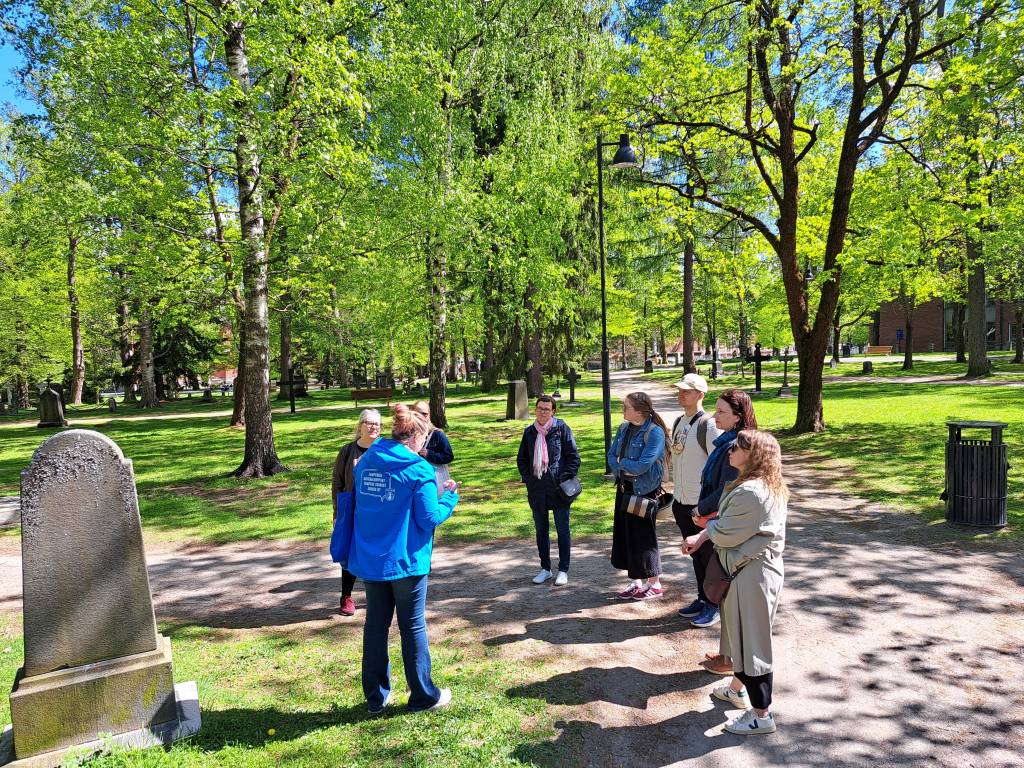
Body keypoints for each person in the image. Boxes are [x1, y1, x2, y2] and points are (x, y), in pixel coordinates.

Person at [349, 404, 460, 714]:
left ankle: (376, 697)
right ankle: (424, 696)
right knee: (412, 627)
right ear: (415, 438)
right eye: (423, 440)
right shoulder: (419, 469)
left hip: (372, 558)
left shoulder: (368, 459)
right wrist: (450, 497)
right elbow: (429, 518)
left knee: (375, 626)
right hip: (407, 560)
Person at [683, 429, 787, 735]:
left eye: (738, 448)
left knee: (752, 644)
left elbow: (727, 531)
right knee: (739, 638)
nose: (730, 451)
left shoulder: (751, 492)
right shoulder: (760, 485)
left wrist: (705, 528)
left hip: (750, 577)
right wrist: (707, 531)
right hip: (748, 574)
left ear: (754, 456)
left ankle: (762, 716)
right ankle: (737, 690)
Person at [688, 388, 757, 632]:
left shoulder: (738, 446)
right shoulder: (725, 440)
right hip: (709, 509)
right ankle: (705, 599)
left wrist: (701, 508)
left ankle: (714, 606)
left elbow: (728, 488)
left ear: (737, 416)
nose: (714, 416)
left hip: (720, 514)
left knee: (717, 564)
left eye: (721, 411)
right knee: (703, 559)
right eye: (715, 409)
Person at [608, 391, 671, 601]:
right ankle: (636, 581)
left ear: (639, 411)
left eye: (626, 407)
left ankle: (654, 584)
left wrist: (621, 465)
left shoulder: (655, 433)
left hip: (643, 491)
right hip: (624, 488)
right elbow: (611, 455)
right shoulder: (624, 428)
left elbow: (643, 465)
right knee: (626, 536)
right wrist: (623, 468)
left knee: (643, 538)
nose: (623, 410)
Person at [668, 375, 722, 619]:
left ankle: (714, 605)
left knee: (709, 557)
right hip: (681, 501)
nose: (681, 395)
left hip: (700, 505)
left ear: (700, 395)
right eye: (680, 390)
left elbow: (718, 464)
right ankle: (702, 598)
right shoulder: (680, 421)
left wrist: (709, 505)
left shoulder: (708, 425)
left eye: (687, 391)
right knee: (695, 555)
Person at [516, 395, 582, 586]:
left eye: (547, 409)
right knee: (541, 530)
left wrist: (561, 478)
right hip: (537, 489)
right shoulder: (529, 432)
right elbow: (522, 459)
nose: (543, 412)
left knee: (563, 530)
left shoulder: (561, 429)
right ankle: (545, 568)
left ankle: (563, 570)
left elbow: (574, 458)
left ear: (553, 411)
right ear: (535, 410)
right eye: (539, 408)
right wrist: (529, 478)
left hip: (559, 490)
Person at [331, 408, 381, 616]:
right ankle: (346, 596)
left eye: (377, 424)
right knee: (350, 553)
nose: (373, 427)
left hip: (379, 511)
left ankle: (379, 598)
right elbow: (338, 482)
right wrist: (337, 512)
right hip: (352, 508)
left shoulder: (384, 451)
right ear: (359, 426)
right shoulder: (348, 451)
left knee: (377, 552)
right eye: (369, 422)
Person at [413, 400, 455, 496]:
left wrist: (429, 454)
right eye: (417, 413)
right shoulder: (407, 435)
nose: (421, 416)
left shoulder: (437, 434)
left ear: (429, 415)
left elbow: (448, 456)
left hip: (435, 483)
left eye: (424, 414)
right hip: (414, 482)